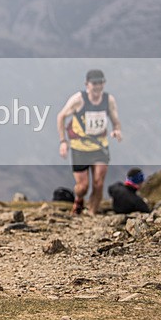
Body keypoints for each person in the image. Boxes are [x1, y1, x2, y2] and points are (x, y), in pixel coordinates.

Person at [57, 69, 123, 215]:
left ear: (104, 83)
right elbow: (61, 116)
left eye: (100, 83)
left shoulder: (108, 100)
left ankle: (92, 212)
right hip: (79, 148)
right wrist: (63, 141)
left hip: (99, 147)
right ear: (87, 84)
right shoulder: (78, 100)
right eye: (94, 83)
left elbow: (115, 121)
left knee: (98, 182)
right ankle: (79, 199)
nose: (97, 86)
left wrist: (117, 130)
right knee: (83, 186)